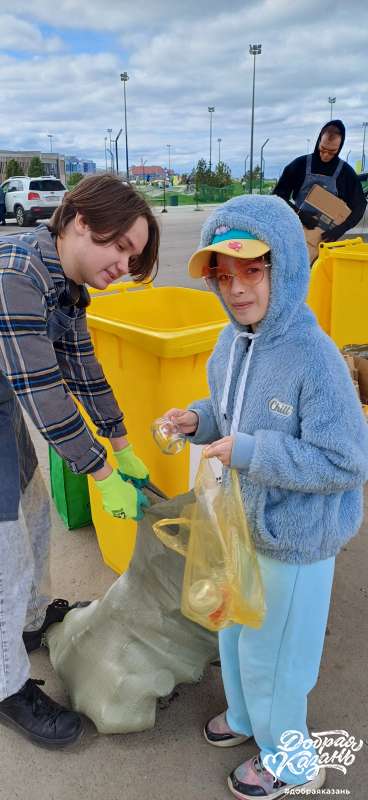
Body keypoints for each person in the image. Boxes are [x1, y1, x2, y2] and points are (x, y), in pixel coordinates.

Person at [163, 194, 368, 799]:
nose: (238, 289)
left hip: (296, 541)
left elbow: (346, 461)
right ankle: (251, 720)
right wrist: (197, 422)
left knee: (279, 659)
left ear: (287, 268)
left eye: (254, 270)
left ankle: (294, 761)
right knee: (237, 632)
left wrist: (252, 452)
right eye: (224, 276)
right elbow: (228, 411)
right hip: (241, 525)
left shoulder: (317, 358)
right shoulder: (232, 343)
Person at [0, 174, 159, 747]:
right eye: (121, 247)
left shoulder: (66, 284)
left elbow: (83, 370)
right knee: (4, 548)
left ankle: (30, 618)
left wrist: (121, 444)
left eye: (134, 256)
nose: (124, 264)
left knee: (33, 508)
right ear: (82, 222)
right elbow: (45, 393)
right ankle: (8, 687)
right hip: (13, 390)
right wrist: (100, 472)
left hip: (3, 395)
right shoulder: (17, 274)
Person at [273, 120, 366, 242]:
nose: (325, 155)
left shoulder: (345, 173)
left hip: (326, 239)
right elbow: (277, 196)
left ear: (340, 147)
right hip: (296, 232)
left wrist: (341, 229)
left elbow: (360, 205)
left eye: (332, 152)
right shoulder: (299, 165)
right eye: (322, 149)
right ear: (318, 141)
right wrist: (299, 214)